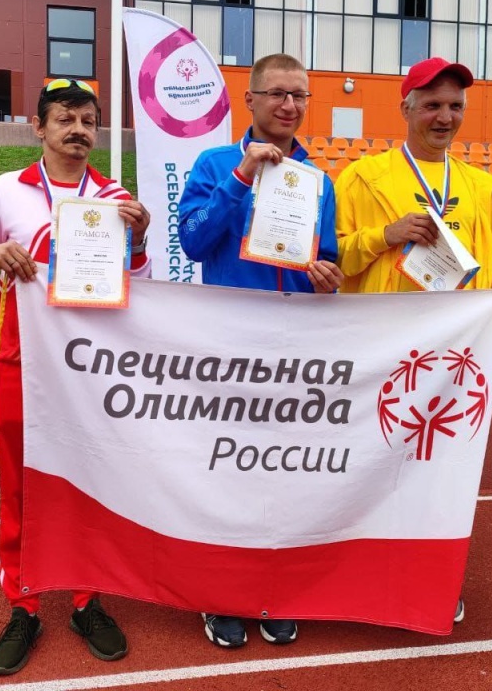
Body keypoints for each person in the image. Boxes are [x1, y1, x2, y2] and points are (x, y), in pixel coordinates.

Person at [0, 78, 152, 675]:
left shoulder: (115, 196)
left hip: (91, 366)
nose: (78, 129)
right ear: (38, 128)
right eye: (65, 118)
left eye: (88, 119)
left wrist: (137, 238)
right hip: (21, 362)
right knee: (21, 486)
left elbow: (138, 283)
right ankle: (25, 603)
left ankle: (87, 599)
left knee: (92, 479)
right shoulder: (6, 190)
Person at [333, 57, 492, 624]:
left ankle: (425, 580)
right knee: (366, 468)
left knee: (434, 473)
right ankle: (352, 577)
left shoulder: (478, 185)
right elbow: (334, 258)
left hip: (448, 360)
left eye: (454, 107)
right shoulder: (362, 177)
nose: (444, 117)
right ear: (405, 108)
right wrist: (386, 234)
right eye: (432, 105)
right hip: (378, 351)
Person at [179, 53, 344, 649]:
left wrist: (328, 277)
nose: (290, 106)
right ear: (249, 100)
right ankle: (220, 595)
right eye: (277, 93)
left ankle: (273, 589)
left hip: (294, 347)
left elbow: (325, 258)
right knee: (225, 475)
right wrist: (243, 175)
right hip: (226, 346)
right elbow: (195, 242)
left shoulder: (318, 180)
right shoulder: (215, 162)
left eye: (300, 95)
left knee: (283, 476)